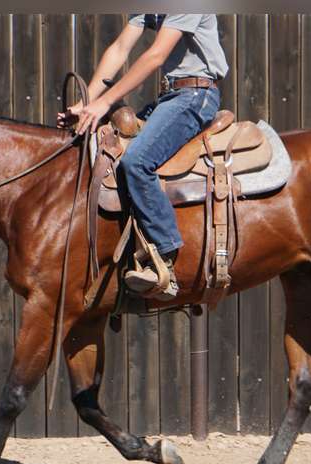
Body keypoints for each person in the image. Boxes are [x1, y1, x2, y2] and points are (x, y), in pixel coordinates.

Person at [57, 14, 229, 300]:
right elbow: (120, 49)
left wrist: (105, 102)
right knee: (109, 148)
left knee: (136, 161)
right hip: (170, 99)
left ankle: (165, 256)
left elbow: (156, 55)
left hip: (196, 96)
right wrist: (85, 103)